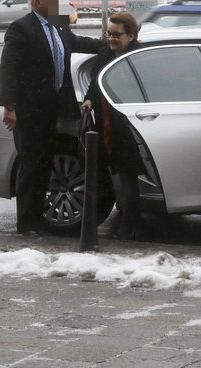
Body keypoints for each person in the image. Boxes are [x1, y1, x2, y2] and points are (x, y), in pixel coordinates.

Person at [0, 0, 105, 235]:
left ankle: (39, 219)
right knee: (30, 166)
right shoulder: (21, 28)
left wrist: (109, 44)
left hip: (53, 109)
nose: (61, 3)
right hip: (29, 110)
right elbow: (8, 68)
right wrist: (9, 106)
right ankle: (26, 223)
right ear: (37, 3)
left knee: (45, 166)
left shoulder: (59, 25)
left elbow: (79, 42)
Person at [81, 12, 143, 239]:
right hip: (105, 123)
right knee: (107, 172)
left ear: (131, 36)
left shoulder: (139, 56)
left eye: (116, 35)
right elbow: (96, 83)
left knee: (128, 174)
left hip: (131, 123)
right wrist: (89, 99)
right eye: (108, 34)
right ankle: (112, 217)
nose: (111, 39)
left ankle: (130, 224)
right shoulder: (104, 54)